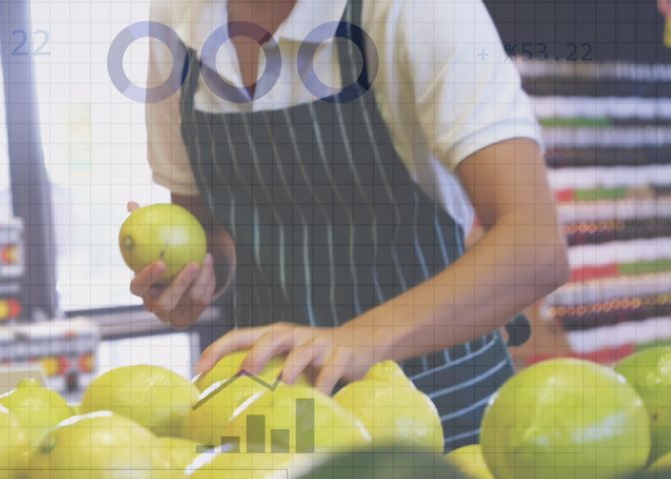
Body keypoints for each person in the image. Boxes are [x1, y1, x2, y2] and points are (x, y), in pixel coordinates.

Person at [133, 0, 569, 448]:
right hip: (269, 421)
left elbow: (534, 248)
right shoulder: (176, 18)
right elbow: (210, 231)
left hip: (439, 417)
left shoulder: (417, 10)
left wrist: (358, 339)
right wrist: (193, 279)